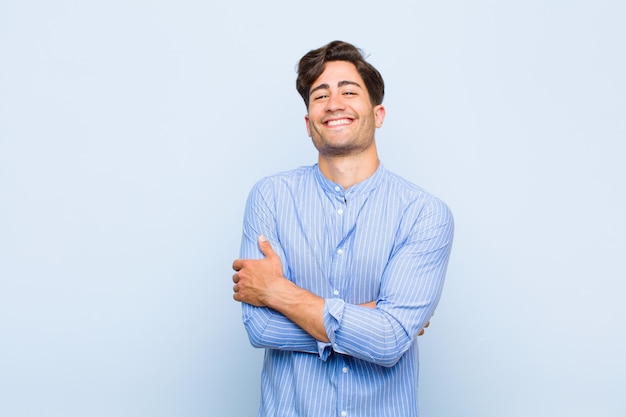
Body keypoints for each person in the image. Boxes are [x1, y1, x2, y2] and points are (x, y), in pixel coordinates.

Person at [232, 40, 454, 417]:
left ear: (378, 113)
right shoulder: (269, 197)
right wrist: (372, 318)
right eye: (320, 95)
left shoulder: (424, 214)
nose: (334, 103)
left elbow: (388, 340)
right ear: (308, 123)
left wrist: (278, 292)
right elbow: (260, 328)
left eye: (349, 92)